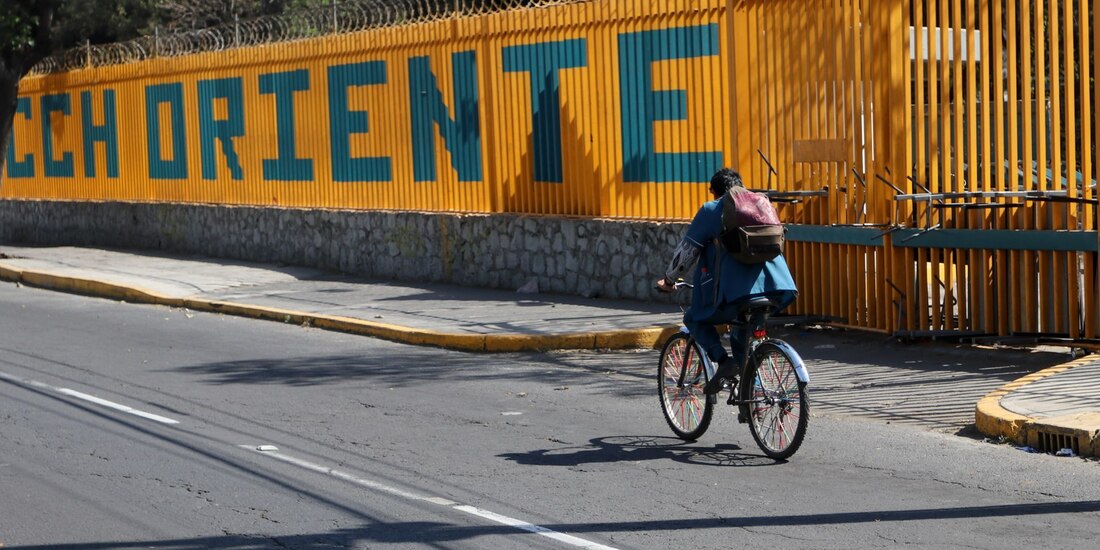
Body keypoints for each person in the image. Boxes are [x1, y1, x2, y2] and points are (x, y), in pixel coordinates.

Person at [656, 168, 798, 396]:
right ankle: (751, 394)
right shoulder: (762, 203)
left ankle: (723, 362)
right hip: (777, 288)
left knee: (694, 318)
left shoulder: (712, 210)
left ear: (714, 191)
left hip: (735, 294)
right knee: (746, 331)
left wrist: (669, 279)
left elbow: (688, 251)